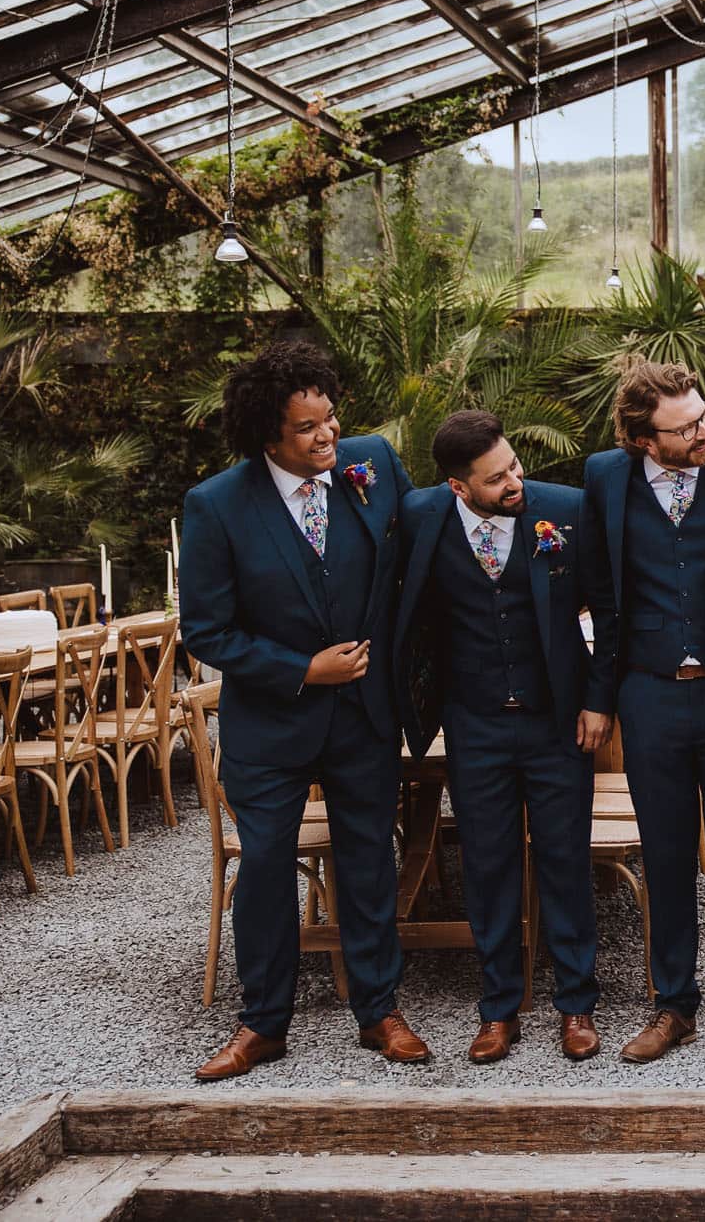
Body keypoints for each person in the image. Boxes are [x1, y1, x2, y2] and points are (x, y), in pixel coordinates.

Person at [180, 340, 430, 1080]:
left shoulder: (374, 464)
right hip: (271, 724)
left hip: (365, 718)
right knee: (262, 867)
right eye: (306, 428)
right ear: (267, 433)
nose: (328, 437)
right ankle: (262, 1023)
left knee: (368, 863)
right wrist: (302, 669)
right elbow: (207, 629)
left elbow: (416, 554)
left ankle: (380, 1010)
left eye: (330, 419)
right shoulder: (216, 505)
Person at [392, 411, 609, 1065]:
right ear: (459, 487)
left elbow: (609, 608)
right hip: (474, 721)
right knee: (487, 866)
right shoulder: (420, 517)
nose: (516, 480)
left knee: (566, 858)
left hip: (555, 719)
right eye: (497, 477)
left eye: (514, 465)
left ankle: (577, 1003)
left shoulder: (566, 509)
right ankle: (498, 1008)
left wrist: (599, 700)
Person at [579, 361, 705, 1068]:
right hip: (650, 691)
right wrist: (601, 695)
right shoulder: (606, 477)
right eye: (684, 428)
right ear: (640, 439)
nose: (704, 433)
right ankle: (675, 1004)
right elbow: (602, 591)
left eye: (704, 417)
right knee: (662, 852)